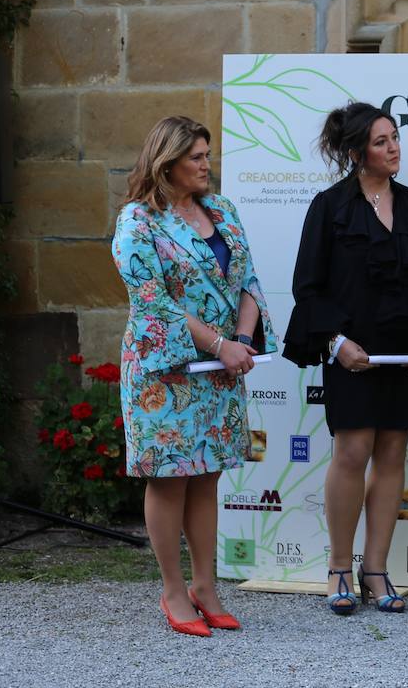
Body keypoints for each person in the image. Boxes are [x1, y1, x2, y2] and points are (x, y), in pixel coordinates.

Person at [282, 101, 408, 615]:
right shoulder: (329, 206)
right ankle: (339, 567)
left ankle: (377, 570)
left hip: (406, 358)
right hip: (352, 356)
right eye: (382, 141)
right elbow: (308, 286)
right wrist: (338, 345)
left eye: (396, 137)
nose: (394, 148)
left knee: (391, 456)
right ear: (357, 150)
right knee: (351, 453)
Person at [112, 116, 275, 637]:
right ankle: (173, 590)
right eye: (197, 157)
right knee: (169, 478)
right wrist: (220, 344)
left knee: (207, 477)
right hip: (166, 371)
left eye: (208, 155)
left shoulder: (222, 210)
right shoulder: (137, 221)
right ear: (167, 163)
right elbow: (154, 304)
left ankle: (206, 586)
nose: (208, 165)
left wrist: (243, 340)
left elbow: (247, 278)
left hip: (221, 367)